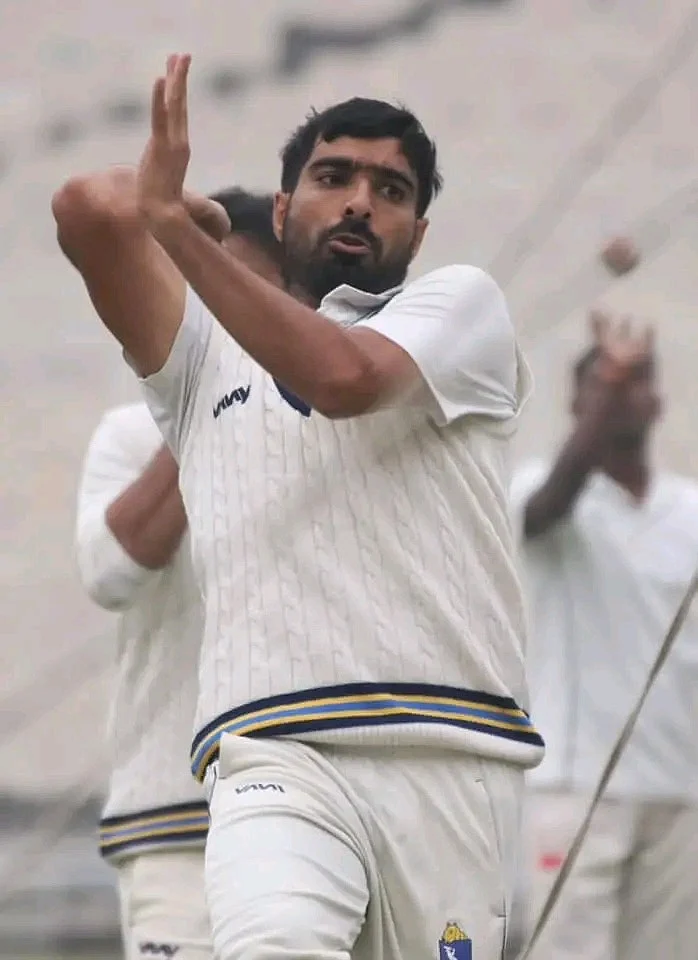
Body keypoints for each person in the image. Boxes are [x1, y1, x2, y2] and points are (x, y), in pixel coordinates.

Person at [54, 53, 544, 960]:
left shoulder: (460, 310)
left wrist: (178, 232)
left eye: (390, 188)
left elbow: (343, 378)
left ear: (420, 231)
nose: (361, 199)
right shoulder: (199, 359)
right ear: (281, 214)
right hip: (271, 754)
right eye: (332, 176)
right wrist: (187, 212)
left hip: (449, 757)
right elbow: (86, 208)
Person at [75, 187, 282, 960]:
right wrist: (206, 404)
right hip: (175, 820)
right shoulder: (131, 433)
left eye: (248, 290)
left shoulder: (323, 417)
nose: (220, 314)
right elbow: (110, 570)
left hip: (318, 812)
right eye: (202, 291)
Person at [510, 312, 698, 960]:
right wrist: (609, 385)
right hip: (575, 785)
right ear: (575, 404)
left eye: (635, 381)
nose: (621, 394)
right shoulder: (544, 490)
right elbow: (544, 512)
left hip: (680, 790)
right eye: (603, 384)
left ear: (659, 400)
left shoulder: (691, 509)